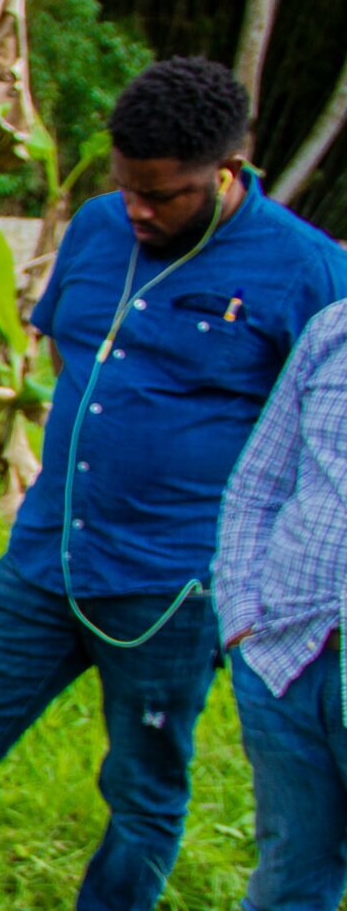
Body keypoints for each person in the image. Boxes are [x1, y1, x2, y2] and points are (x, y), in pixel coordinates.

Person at [0, 57, 347, 911]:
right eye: (128, 187)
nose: (139, 209)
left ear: (226, 171)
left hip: (174, 585)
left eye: (162, 196)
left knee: (143, 793)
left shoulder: (305, 270)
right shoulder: (97, 227)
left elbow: (316, 437)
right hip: (46, 558)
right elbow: (68, 350)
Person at [216, 297, 347, 911]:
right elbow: (257, 485)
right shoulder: (334, 329)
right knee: (289, 875)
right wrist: (241, 618)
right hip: (287, 658)